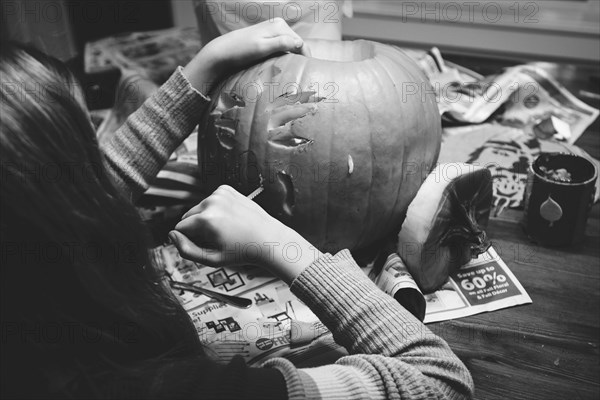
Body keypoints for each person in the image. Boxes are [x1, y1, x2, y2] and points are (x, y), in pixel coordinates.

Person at [0, 19, 474, 399]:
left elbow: (74, 193)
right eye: (89, 146)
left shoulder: (26, 310)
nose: (100, 177)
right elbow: (438, 381)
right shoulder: (176, 387)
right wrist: (287, 248)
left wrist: (203, 70)